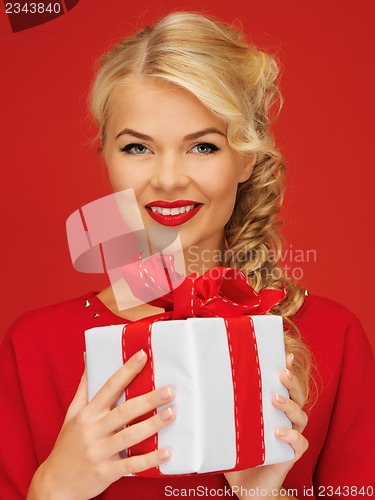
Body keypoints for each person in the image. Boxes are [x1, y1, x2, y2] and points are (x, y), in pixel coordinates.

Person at [0, 11, 374, 500]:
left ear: (246, 159)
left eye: (202, 146)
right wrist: (54, 489)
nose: (169, 179)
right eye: (137, 148)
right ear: (106, 158)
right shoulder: (34, 347)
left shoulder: (331, 335)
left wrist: (264, 494)